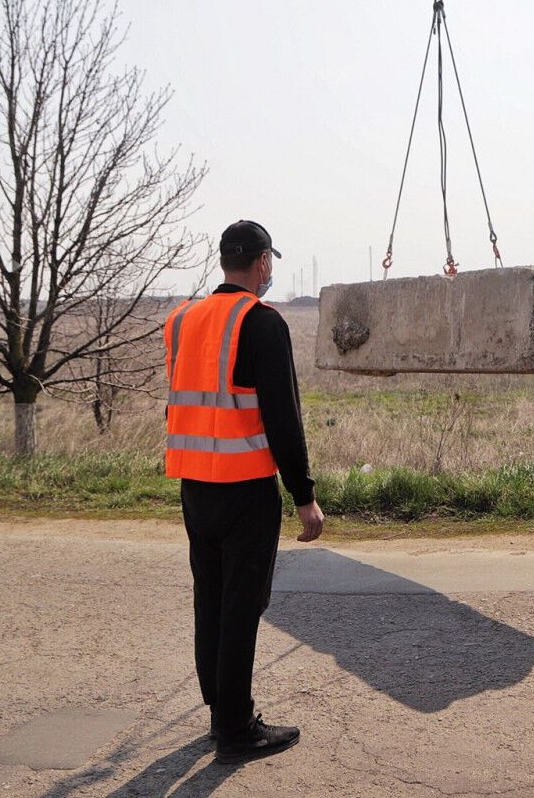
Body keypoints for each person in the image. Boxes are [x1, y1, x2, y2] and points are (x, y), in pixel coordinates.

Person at [164, 219, 324, 764]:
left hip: (194, 486)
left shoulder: (181, 320)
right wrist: (303, 495)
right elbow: (284, 417)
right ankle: (235, 728)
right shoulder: (261, 323)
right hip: (246, 489)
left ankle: (220, 711)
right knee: (241, 606)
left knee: (209, 600)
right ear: (261, 264)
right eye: (270, 263)